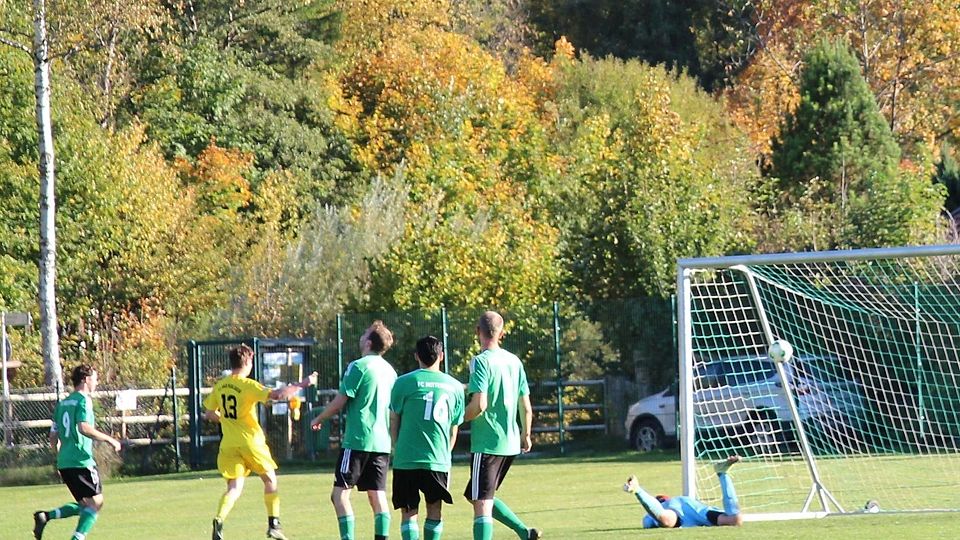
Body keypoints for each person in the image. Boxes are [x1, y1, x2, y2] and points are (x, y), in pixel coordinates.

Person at [204, 344, 318, 540]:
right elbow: (277, 395)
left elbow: (209, 413)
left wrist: (228, 421)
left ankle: (219, 519)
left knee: (234, 488)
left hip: (229, 444)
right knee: (270, 480)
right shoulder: (248, 385)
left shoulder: (220, 385)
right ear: (248, 362)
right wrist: (303, 384)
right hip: (251, 442)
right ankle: (274, 525)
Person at [311, 320, 399, 540]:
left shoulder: (358, 366)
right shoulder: (390, 371)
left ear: (368, 342)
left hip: (358, 440)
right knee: (377, 495)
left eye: (364, 333)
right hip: (382, 442)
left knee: (339, 495)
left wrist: (319, 417)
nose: (361, 336)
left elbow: (340, 401)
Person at [462, 311, 541, 540]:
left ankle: (523, 532)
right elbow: (525, 405)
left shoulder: (480, 361)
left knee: (482, 503)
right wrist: (526, 434)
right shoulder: (514, 362)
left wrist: (457, 418)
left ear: (478, 332)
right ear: (502, 333)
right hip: (510, 441)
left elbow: (479, 405)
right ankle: (525, 532)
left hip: (487, 442)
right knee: (476, 495)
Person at [33, 364, 122, 540]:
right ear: (86, 379)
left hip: (65, 462)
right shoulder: (84, 400)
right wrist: (109, 439)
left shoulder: (62, 404)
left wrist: (59, 454)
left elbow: (53, 436)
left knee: (85, 505)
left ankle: (46, 516)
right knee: (96, 503)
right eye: (95, 378)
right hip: (81, 461)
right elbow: (84, 428)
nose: (97, 382)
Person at [389, 336, 465, 540]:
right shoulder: (455, 386)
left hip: (406, 458)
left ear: (416, 356)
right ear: (442, 356)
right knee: (435, 510)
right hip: (437, 459)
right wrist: (445, 453)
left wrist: (396, 446)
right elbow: (454, 428)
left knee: (408, 513)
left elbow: (394, 419)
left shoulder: (403, 382)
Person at [623, 455, 744, 528]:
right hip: (691, 508)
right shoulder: (658, 510)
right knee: (735, 519)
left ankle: (638, 490)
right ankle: (722, 473)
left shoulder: (650, 516)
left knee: (665, 520)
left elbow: (653, 519)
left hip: (688, 510)